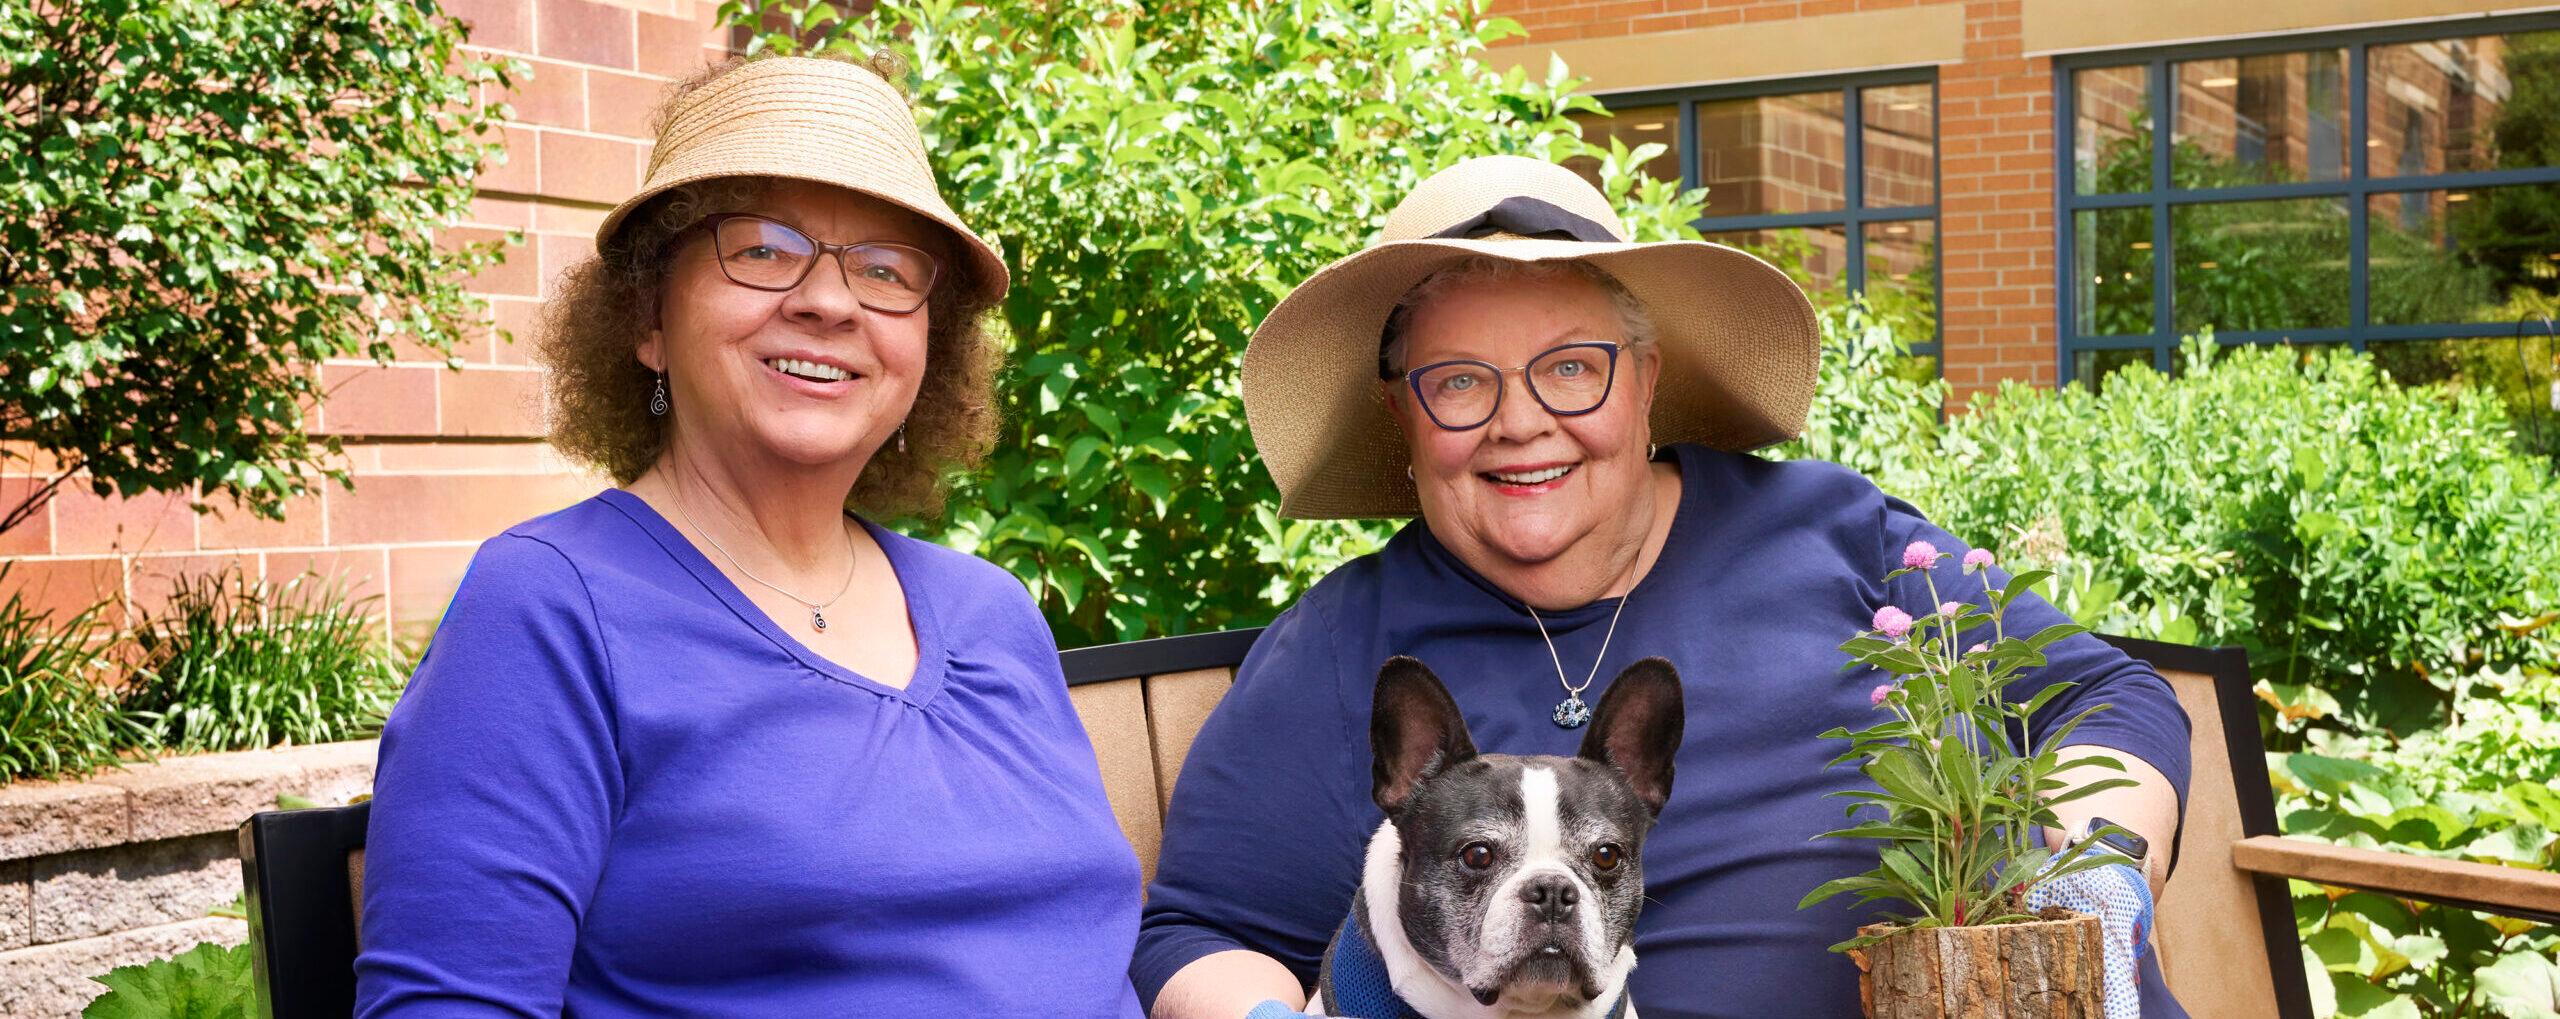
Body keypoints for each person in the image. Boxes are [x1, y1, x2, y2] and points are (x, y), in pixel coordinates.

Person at [1137, 156, 2190, 1019]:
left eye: (1571, 367)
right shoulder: (1343, 640)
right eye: (1459, 381)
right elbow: (1196, 932)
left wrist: (2098, 868)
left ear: (1645, 383)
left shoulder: (1828, 531)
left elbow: (2100, 694)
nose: (1519, 421)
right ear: (1401, 417)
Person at [355, 54, 1144, 1016]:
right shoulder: (552, 604)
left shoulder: (992, 610)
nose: (830, 301)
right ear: (647, 316)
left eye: (887, 270)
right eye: (764, 248)